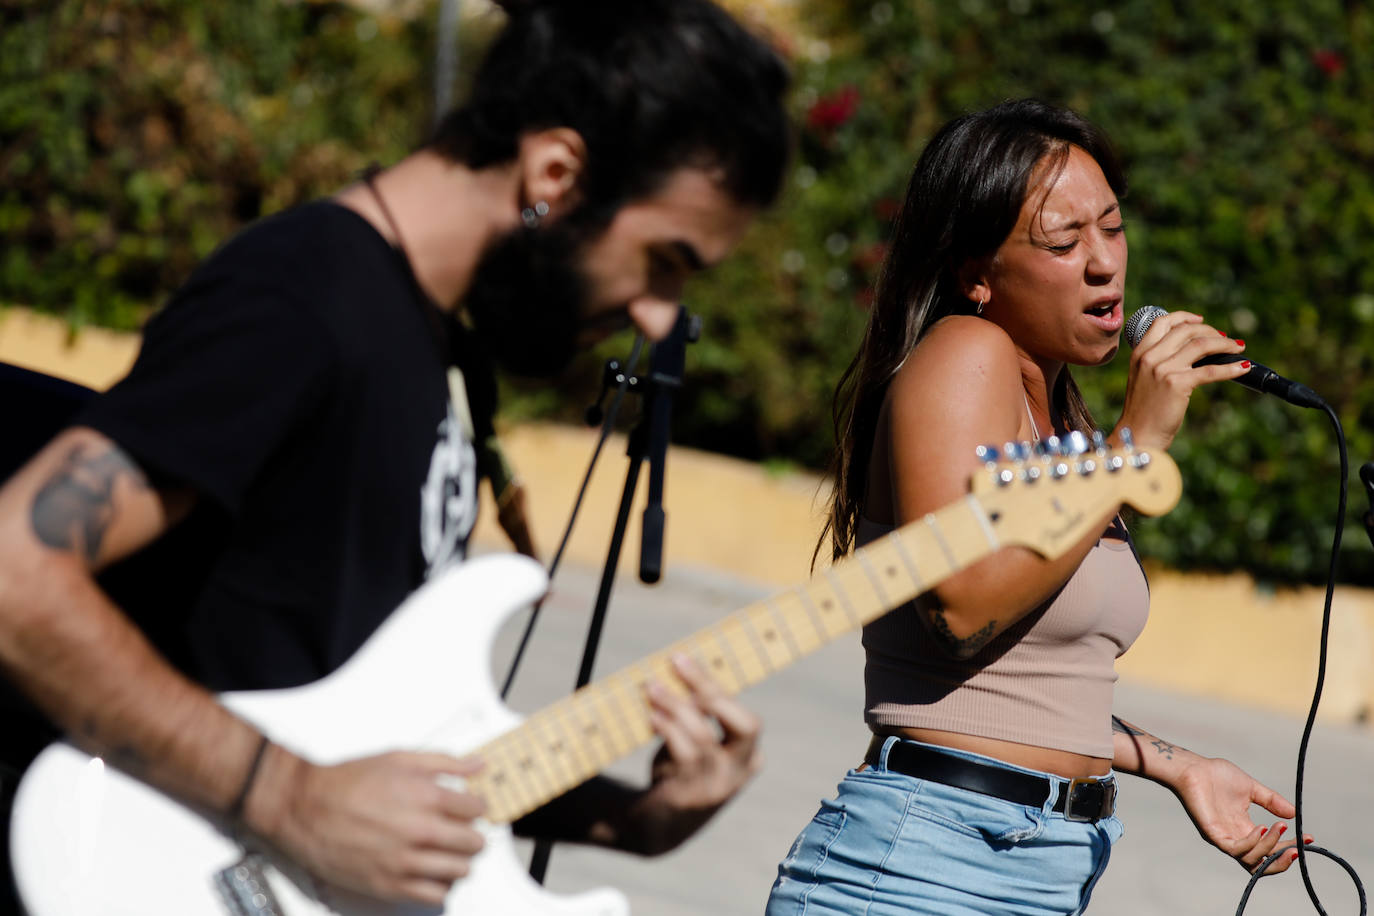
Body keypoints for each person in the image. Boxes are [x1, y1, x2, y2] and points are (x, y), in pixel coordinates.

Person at [0, 0, 790, 908]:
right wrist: (291, 800)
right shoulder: (302, 299)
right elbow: (17, 575)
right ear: (556, 171)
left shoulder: (430, 342)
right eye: (665, 259)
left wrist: (631, 820)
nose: (660, 317)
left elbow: (364, 731)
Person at [765, 98, 1308, 916]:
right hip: (925, 870)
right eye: (1062, 242)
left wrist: (1175, 764)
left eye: (1113, 228)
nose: (1103, 264)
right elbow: (961, 606)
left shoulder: (1062, 425)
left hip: (1040, 868)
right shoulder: (965, 355)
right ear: (976, 273)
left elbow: (1018, 676)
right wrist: (1133, 450)